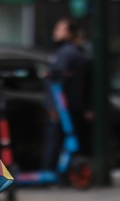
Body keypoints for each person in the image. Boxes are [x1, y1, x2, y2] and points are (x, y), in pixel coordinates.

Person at [43, 17, 91, 171]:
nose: (55, 32)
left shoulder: (65, 53)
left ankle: (51, 172)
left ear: (69, 33)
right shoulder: (75, 52)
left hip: (63, 108)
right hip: (71, 106)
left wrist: (53, 106)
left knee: (55, 141)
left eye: (60, 29)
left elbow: (57, 79)